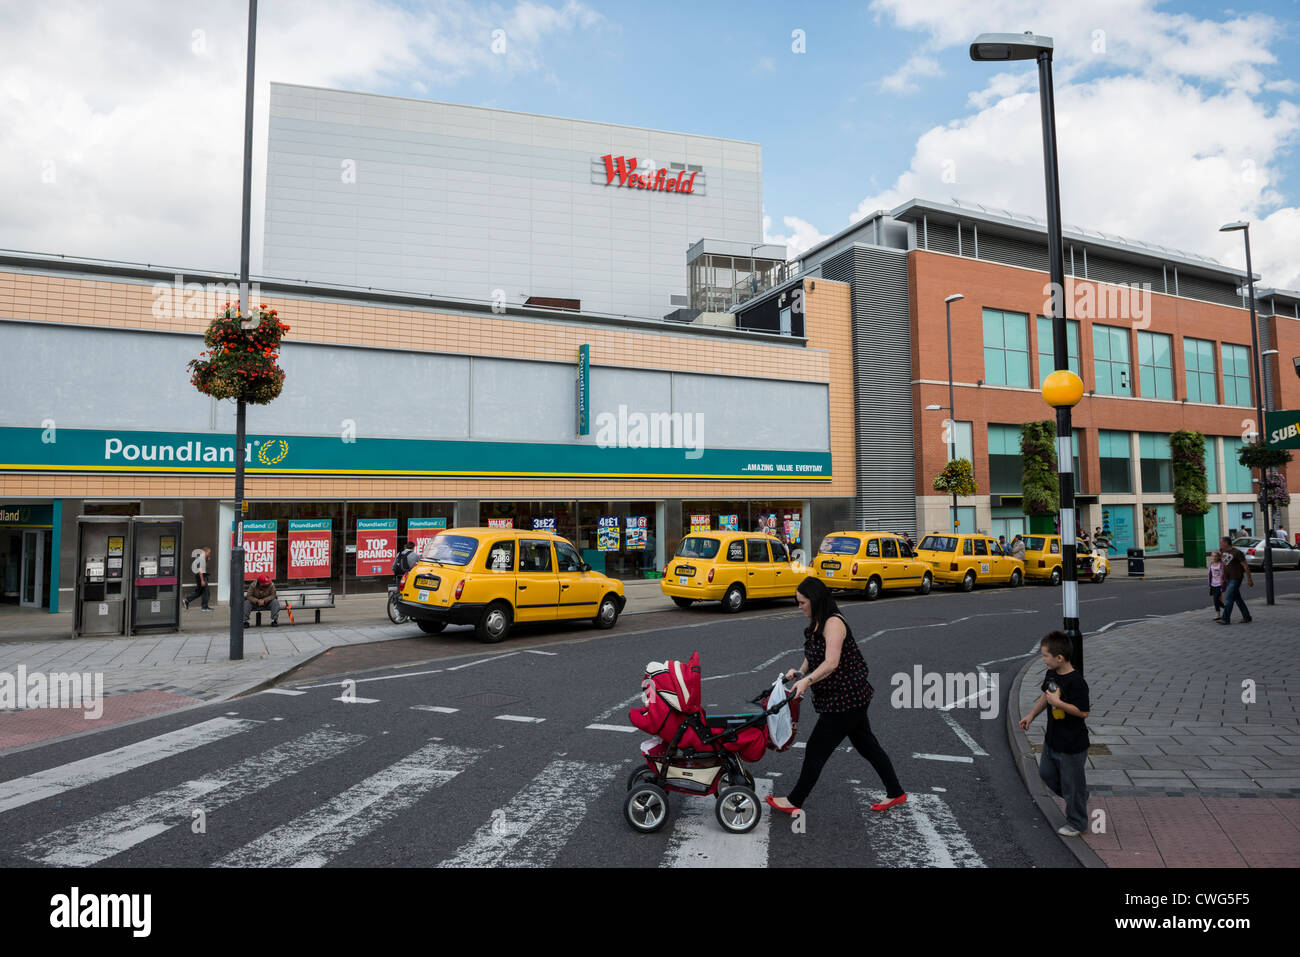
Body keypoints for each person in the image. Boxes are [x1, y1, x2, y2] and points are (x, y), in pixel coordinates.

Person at [767, 577, 907, 816]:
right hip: (844, 697)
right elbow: (814, 655)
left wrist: (807, 681)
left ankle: (795, 800)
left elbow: (831, 663)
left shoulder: (834, 623)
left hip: (847, 698)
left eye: (802, 602)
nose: (799, 606)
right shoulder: (817, 622)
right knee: (867, 745)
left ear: (815, 600)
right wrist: (800, 672)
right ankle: (896, 792)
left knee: (816, 749)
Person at [1019, 631, 1091, 837]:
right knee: (1046, 774)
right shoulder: (1051, 674)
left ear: (1059, 657)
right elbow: (1046, 696)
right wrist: (1031, 715)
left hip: (1072, 744)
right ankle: (1079, 796)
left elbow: (1084, 712)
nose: (1043, 659)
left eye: (1045, 656)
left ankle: (1077, 823)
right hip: (1053, 739)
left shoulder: (1077, 682)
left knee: (1071, 784)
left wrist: (1059, 703)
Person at [1216, 536, 1254, 625]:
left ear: (1226, 543)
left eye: (1221, 542)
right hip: (1228, 578)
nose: (1220, 544)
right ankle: (1247, 617)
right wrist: (1222, 578)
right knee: (1238, 599)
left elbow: (1245, 566)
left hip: (1236, 578)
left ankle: (1225, 619)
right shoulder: (1223, 552)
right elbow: (1224, 566)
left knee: (1229, 598)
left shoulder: (1237, 552)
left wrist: (1249, 579)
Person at [183, 546, 211, 611]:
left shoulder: (201, 558)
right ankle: (204, 607)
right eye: (209, 552)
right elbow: (200, 570)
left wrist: (207, 560)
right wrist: (202, 580)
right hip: (201, 576)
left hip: (200, 576)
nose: (209, 554)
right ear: (205, 552)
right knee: (206, 592)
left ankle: (187, 600)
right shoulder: (201, 559)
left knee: (199, 592)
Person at [1207, 550, 1225, 619]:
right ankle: (1219, 614)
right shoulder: (1211, 564)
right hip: (1212, 584)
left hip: (1219, 584)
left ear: (1218, 557)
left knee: (1216, 599)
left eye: (1215, 556)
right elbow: (1210, 574)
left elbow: (1223, 575)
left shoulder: (1221, 564)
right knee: (1216, 600)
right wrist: (1209, 583)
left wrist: (1222, 583)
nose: (1214, 557)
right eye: (1213, 556)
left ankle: (1225, 609)